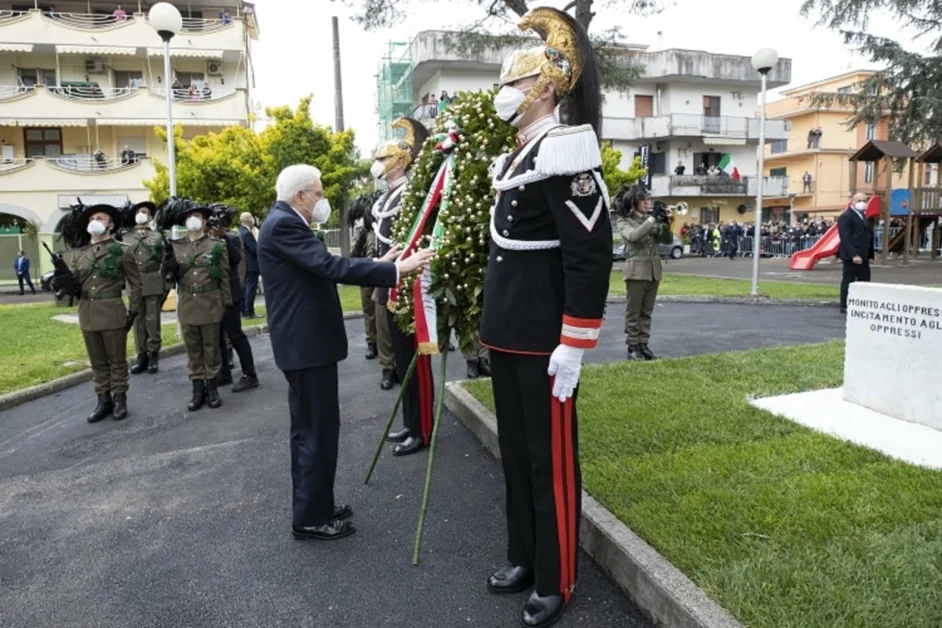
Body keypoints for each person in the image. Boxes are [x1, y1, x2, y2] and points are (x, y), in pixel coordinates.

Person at [478, 7, 613, 627]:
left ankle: (557, 577)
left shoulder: (565, 151)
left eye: (511, 85)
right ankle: (524, 556)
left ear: (543, 88)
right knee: (516, 455)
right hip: (508, 335)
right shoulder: (514, 157)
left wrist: (575, 342)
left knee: (550, 461)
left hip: (544, 341)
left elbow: (588, 253)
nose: (502, 96)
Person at [257, 164, 434, 542]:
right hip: (306, 347)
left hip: (306, 345)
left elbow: (324, 268)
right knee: (314, 432)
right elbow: (329, 266)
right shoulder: (284, 223)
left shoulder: (283, 221)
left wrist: (380, 263)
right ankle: (310, 519)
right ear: (299, 196)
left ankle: (317, 504)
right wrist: (397, 270)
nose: (322, 201)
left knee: (316, 430)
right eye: (318, 194)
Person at [371, 116, 436, 456]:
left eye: (382, 159)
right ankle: (412, 421)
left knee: (416, 361)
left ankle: (423, 428)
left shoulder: (411, 192)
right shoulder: (384, 197)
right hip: (389, 282)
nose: (377, 165)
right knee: (401, 360)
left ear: (398, 161)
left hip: (409, 285)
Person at [55, 202, 142, 423]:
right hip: (88, 312)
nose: (95, 221)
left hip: (112, 310)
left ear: (111, 225)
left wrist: (132, 312)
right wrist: (62, 280)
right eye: (92, 218)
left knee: (117, 359)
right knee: (97, 361)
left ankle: (120, 398)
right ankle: (103, 400)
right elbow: (71, 288)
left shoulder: (123, 251)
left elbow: (136, 284)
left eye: (100, 218)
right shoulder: (79, 254)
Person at [158, 198, 232, 411]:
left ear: (204, 221)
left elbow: (224, 277)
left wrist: (226, 303)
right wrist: (168, 268)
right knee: (193, 348)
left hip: (210, 302)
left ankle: (212, 389)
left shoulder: (217, 245)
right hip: (188, 303)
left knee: (211, 347)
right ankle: (197, 389)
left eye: (197, 217)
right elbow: (169, 280)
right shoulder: (175, 246)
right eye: (190, 217)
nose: (193, 221)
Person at [614, 187, 673, 361]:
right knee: (634, 312)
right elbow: (633, 236)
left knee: (646, 312)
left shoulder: (650, 219)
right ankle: (633, 347)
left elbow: (667, 240)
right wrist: (653, 219)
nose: (648, 202)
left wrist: (666, 223)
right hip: (636, 271)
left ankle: (643, 345)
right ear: (635, 202)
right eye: (644, 199)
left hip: (653, 270)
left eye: (649, 199)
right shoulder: (624, 221)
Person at [209, 205, 259, 392]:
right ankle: (224, 373)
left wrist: (222, 236)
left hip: (231, 293)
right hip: (213, 295)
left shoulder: (232, 238)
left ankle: (250, 375)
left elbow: (237, 258)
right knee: (219, 336)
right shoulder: (206, 240)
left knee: (235, 335)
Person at [123, 201, 168, 375]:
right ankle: (141, 354)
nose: (142, 215)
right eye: (139, 212)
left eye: (145, 212)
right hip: (134, 283)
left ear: (150, 217)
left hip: (152, 280)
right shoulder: (126, 237)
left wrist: (165, 282)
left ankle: (153, 354)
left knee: (152, 320)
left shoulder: (157, 237)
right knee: (137, 321)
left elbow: (164, 260)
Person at [348, 190, 383, 359]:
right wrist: (360, 238)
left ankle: (384, 347)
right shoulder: (361, 227)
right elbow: (353, 253)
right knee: (368, 309)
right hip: (366, 271)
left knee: (382, 312)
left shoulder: (381, 223)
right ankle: (371, 343)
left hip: (381, 269)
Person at [837, 192, 875, 314]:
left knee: (864, 280)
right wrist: (853, 254)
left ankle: (861, 302)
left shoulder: (863, 216)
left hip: (863, 255)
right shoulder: (846, 216)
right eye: (859, 200)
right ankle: (845, 305)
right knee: (849, 279)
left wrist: (869, 253)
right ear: (852, 202)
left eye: (864, 200)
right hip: (852, 256)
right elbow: (846, 237)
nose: (862, 203)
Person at [239, 212, 260, 318]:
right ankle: (249, 312)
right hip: (251, 265)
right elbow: (255, 249)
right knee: (250, 289)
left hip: (244, 265)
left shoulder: (240, 232)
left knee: (245, 288)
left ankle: (243, 310)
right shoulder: (247, 233)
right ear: (248, 219)